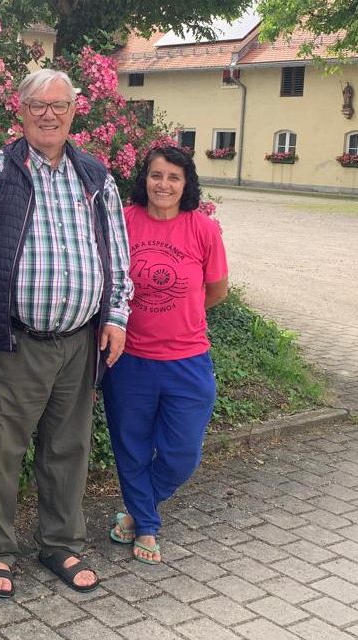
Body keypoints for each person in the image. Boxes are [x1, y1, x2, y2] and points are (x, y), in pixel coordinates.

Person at [0, 68, 133, 598]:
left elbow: (117, 257)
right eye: (38, 105)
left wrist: (116, 317)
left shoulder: (95, 176)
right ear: (21, 110)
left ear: (75, 110)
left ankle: (60, 543)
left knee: (68, 450)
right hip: (15, 341)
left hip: (80, 342)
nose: (49, 114)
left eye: (59, 105)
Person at [102, 145, 228, 565]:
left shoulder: (202, 229)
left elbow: (217, 290)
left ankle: (137, 513)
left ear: (186, 184)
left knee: (182, 454)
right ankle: (148, 528)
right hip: (129, 358)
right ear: (145, 179)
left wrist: (182, 315)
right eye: (157, 175)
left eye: (174, 177)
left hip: (187, 360)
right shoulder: (124, 219)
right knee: (131, 447)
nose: (164, 184)